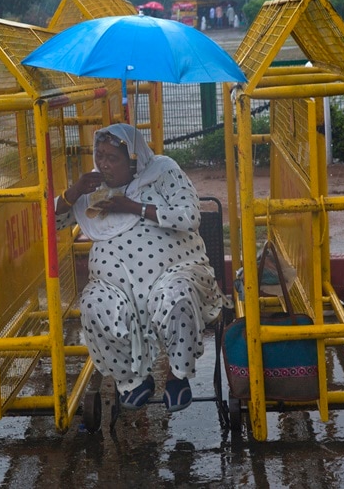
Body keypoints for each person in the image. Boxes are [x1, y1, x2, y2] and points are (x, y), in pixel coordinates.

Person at [55, 123, 229, 413]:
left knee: (177, 297)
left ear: (133, 158)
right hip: (115, 286)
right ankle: (132, 380)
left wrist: (133, 206)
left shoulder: (162, 171)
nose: (104, 164)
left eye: (113, 158)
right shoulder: (94, 187)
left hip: (174, 272)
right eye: (100, 155)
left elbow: (189, 217)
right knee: (94, 305)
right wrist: (73, 192)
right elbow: (52, 223)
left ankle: (176, 375)